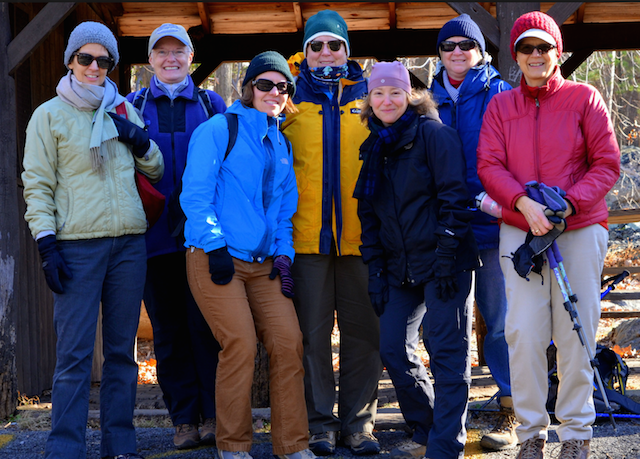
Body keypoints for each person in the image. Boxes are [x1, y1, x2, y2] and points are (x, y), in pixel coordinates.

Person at [477, 11, 620, 459]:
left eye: (544, 47)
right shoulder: (501, 105)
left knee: (576, 333)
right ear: (515, 55)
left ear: (557, 52)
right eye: (526, 48)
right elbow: (489, 165)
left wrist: (567, 205)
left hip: (577, 227)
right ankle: (532, 434)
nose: (535, 55)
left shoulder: (585, 98)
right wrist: (523, 204)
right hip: (521, 232)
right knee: (522, 334)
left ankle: (576, 432)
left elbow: (607, 164)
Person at [21, 21, 164, 459]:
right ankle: (65, 447)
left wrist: (138, 139)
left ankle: (120, 444)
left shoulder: (124, 110)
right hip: (77, 247)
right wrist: (47, 244)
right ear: (70, 61)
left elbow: (155, 170)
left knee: (122, 354)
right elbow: (37, 185)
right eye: (86, 57)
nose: (94, 66)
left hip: (128, 246)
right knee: (75, 356)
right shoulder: (49, 115)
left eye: (104, 60)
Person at [181, 50, 315, 459]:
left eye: (282, 86)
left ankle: (292, 445)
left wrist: (284, 256)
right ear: (248, 88)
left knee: (288, 341)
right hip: (214, 256)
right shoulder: (219, 130)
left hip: (264, 264)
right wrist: (216, 245)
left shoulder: (282, 142)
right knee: (239, 342)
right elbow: (196, 195)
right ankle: (234, 446)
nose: (274, 92)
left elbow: (283, 213)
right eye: (265, 84)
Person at [355, 61, 480, 459]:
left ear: (411, 96)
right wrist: (376, 270)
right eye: (378, 93)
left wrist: (446, 258)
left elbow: (454, 199)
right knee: (392, 347)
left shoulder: (434, 135)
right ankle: (428, 425)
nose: (387, 99)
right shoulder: (375, 146)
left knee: (446, 354)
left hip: (446, 263)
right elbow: (369, 215)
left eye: (395, 92)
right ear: (369, 100)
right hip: (399, 267)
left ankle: (445, 446)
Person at [281, 10, 383, 455]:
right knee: (312, 337)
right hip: (306, 241)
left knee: (365, 335)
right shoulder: (286, 99)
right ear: (304, 53)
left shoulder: (372, 97)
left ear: (348, 50)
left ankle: (359, 425)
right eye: (316, 46)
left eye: (334, 45)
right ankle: (319, 424)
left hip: (363, 241)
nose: (326, 53)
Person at [126, 23, 226, 450]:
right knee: (167, 332)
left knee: (204, 328)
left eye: (178, 52)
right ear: (150, 60)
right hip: (153, 240)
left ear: (190, 57)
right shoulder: (132, 104)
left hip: (200, 238)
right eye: (161, 52)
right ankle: (183, 419)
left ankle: (213, 416)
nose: (170, 59)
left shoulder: (210, 102)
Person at [429, 14, 515, 451]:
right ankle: (449, 419)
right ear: (440, 53)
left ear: (481, 50)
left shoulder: (502, 93)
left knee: (501, 323)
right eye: (449, 46)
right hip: (447, 231)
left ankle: (509, 406)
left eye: (467, 44)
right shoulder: (424, 99)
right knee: (450, 328)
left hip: (498, 226)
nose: (458, 51)